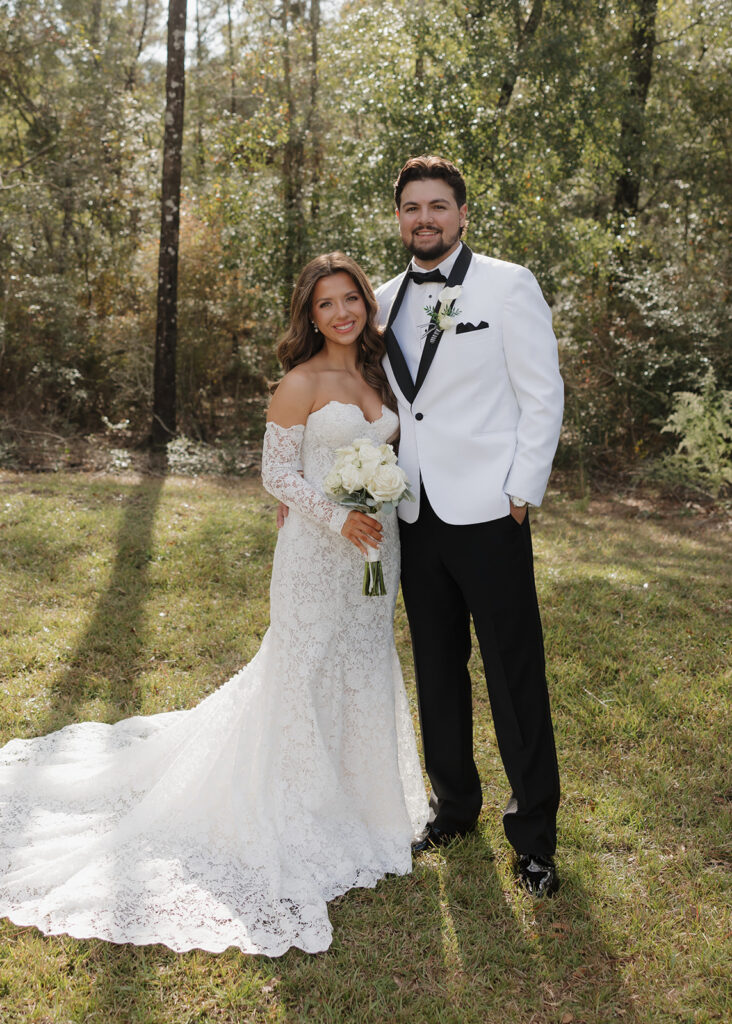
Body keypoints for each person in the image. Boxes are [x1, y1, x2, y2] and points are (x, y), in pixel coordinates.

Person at [0, 252, 428, 956]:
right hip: (321, 553)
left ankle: (360, 803)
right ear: (309, 315)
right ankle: (299, 812)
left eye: (351, 298)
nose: (342, 312)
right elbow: (275, 474)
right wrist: (336, 517)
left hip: (376, 557)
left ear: (365, 304)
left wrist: (373, 512)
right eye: (326, 304)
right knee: (301, 669)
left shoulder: (380, 374)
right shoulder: (299, 382)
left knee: (359, 666)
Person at [374, 155, 564, 896]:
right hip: (415, 512)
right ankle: (454, 806)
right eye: (412, 207)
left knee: (515, 675)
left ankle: (535, 839)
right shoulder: (384, 298)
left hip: (490, 512)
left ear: (461, 214)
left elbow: (541, 395)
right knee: (437, 668)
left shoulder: (508, 285)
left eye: (438, 206)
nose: (425, 218)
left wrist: (522, 490)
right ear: (400, 218)